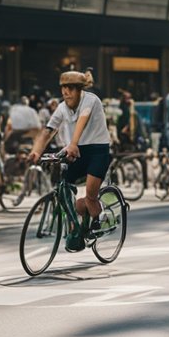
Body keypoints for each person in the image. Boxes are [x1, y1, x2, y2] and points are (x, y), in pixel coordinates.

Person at [27, 71, 111, 251]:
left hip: (97, 150)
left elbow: (83, 119)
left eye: (71, 88)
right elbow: (48, 130)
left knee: (90, 196)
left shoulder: (90, 100)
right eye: (63, 88)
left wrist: (73, 143)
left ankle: (100, 220)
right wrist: (36, 151)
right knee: (64, 188)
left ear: (80, 90)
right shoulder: (62, 107)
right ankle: (76, 227)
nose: (66, 92)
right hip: (76, 152)